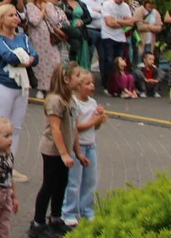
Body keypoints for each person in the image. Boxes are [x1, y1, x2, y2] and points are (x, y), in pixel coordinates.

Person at [28, 62, 86, 238]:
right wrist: (63, 154)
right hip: (53, 151)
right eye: (77, 76)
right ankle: (37, 223)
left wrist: (77, 153)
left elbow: (74, 129)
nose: (81, 78)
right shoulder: (55, 100)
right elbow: (56, 129)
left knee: (61, 185)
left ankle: (56, 219)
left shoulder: (71, 100)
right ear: (66, 79)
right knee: (49, 185)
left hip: (65, 151)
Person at [0, 4, 38, 184]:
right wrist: (24, 59)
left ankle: (8, 166)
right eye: (11, 15)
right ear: (2, 19)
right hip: (3, 86)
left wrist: (25, 60)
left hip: (22, 86)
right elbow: (9, 57)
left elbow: (34, 56)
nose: (15, 18)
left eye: (16, 15)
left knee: (15, 128)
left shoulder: (23, 37)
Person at [63, 69, 105, 227]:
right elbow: (75, 127)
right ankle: (69, 211)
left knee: (90, 180)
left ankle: (87, 210)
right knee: (74, 181)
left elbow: (96, 127)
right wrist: (94, 121)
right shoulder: (74, 103)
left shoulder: (93, 103)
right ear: (78, 86)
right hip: (77, 147)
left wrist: (99, 118)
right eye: (88, 83)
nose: (92, 86)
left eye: (92, 83)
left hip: (91, 145)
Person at [99, 0, 135, 93]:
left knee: (120, 63)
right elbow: (109, 23)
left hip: (121, 37)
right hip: (108, 36)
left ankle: (118, 85)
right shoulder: (107, 5)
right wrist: (123, 21)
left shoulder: (125, 6)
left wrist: (117, 21)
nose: (122, 1)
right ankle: (107, 85)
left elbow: (131, 22)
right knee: (109, 61)